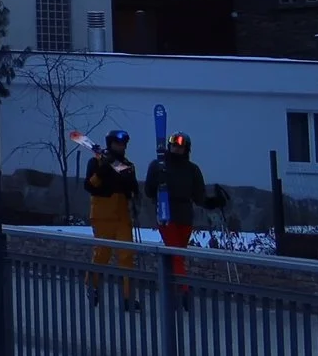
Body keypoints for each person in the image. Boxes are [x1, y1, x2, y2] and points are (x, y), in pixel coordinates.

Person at [143, 132, 228, 291]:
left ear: (186, 149)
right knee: (175, 254)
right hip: (166, 214)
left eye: (180, 146)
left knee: (178, 255)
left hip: (185, 216)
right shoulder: (157, 165)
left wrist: (214, 202)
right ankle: (183, 290)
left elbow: (199, 197)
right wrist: (157, 180)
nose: (176, 149)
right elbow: (148, 191)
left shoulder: (192, 169)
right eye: (174, 145)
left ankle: (170, 285)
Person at [83, 130, 139, 309]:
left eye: (123, 144)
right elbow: (90, 186)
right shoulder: (96, 162)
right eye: (117, 143)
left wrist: (128, 178)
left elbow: (133, 190)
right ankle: (92, 286)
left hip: (122, 215)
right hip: (102, 215)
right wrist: (104, 169)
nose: (121, 147)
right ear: (110, 144)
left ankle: (128, 297)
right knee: (102, 254)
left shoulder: (127, 165)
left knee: (126, 255)